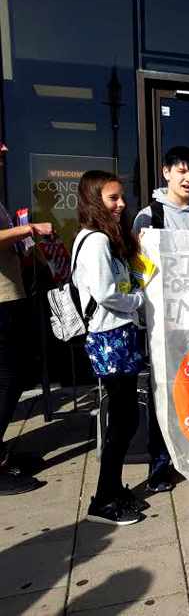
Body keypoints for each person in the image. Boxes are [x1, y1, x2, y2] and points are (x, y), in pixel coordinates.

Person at [133, 145, 189, 493]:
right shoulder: (148, 216)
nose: (188, 179)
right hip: (164, 320)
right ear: (166, 172)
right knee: (164, 390)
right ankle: (160, 462)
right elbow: (139, 271)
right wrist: (146, 313)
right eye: (182, 171)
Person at [74, 171, 147, 525]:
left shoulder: (99, 238)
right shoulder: (96, 242)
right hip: (111, 336)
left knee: (123, 416)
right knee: (125, 418)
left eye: (122, 198)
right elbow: (106, 293)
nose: (121, 205)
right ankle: (103, 500)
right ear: (93, 200)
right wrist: (136, 301)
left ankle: (114, 489)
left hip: (115, 335)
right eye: (112, 199)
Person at [0, 187, 53, 494]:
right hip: (1, 302)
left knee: (14, 377)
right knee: (7, 380)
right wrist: (27, 229)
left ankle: (3, 456)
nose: (4, 148)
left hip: (11, 297)